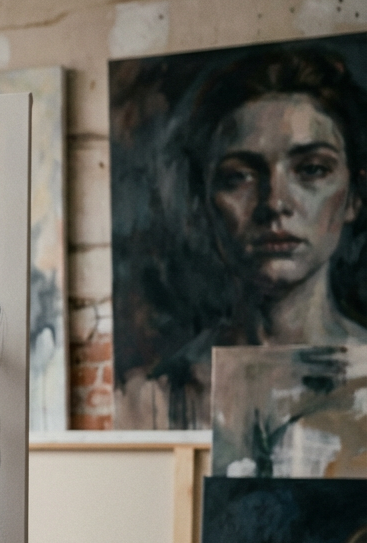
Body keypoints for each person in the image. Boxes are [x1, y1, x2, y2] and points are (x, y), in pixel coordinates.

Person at [120, 46, 367, 429]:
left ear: (355, 196)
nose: (275, 203)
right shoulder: (158, 398)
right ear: (204, 200)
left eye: (312, 169)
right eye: (239, 176)